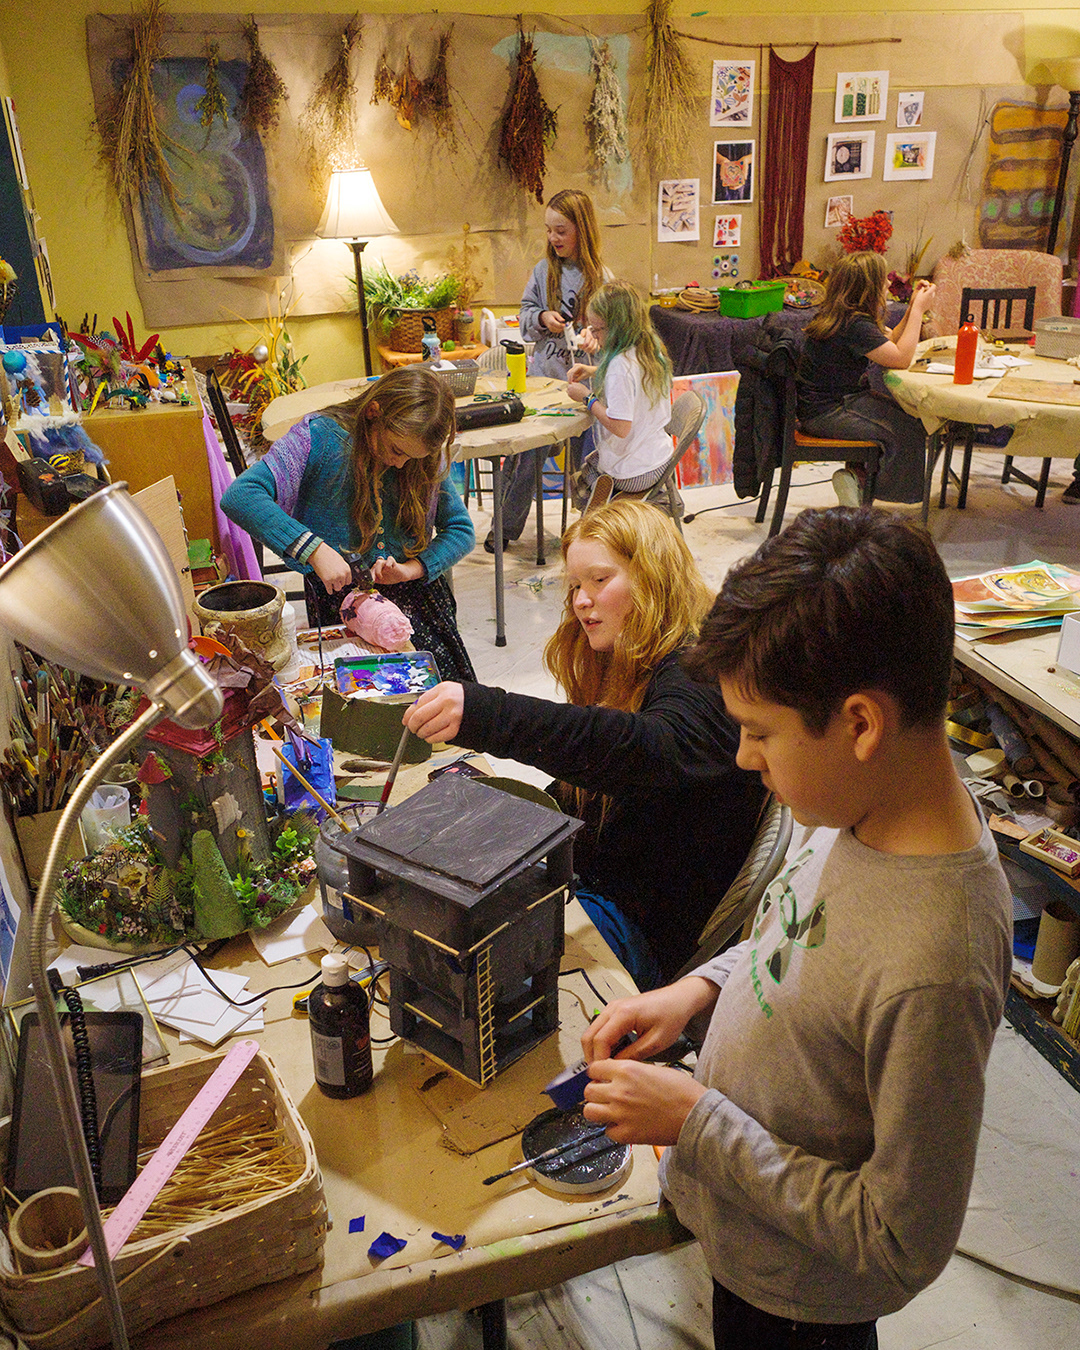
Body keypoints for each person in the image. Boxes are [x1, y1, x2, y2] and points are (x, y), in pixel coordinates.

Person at [579, 507, 1012, 1350]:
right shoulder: (864, 807)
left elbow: (899, 1239)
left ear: (860, 724)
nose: (744, 758)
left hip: (801, 1307)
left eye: (759, 733)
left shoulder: (939, 963)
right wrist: (698, 990)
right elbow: (797, 932)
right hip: (747, 1234)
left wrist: (697, 1121)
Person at [404, 498, 766, 990]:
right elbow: (589, 780)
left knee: (450, 964)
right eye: (575, 585)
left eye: (599, 580)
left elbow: (643, 750)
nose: (580, 600)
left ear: (654, 577)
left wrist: (490, 715)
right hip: (602, 885)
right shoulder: (636, 658)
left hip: (639, 930)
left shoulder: (699, 671)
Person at [220, 364, 477, 683]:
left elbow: (461, 530)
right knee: (363, 700)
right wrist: (313, 550)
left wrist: (410, 570)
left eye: (413, 458)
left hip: (418, 602)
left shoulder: (420, 454)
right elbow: (241, 496)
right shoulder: (319, 438)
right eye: (397, 450)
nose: (401, 464)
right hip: (341, 604)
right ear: (373, 413)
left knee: (441, 699)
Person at [489, 188, 608, 552]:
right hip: (544, 386)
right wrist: (541, 317)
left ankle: (590, 532)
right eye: (549, 230)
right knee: (526, 455)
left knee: (592, 462)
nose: (553, 237)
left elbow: (615, 335)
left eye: (561, 230)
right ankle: (504, 527)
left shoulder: (602, 277)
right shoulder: (543, 272)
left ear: (582, 230)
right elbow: (524, 317)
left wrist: (595, 338)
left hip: (585, 390)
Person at [797, 251, 936, 507]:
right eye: (883, 279)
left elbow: (889, 342)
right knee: (908, 430)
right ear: (869, 287)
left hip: (827, 404)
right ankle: (867, 488)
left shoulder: (842, 316)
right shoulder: (854, 325)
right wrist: (918, 310)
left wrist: (911, 307)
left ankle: (858, 479)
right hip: (828, 412)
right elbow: (901, 358)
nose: (888, 283)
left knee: (907, 415)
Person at [565, 280, 674, 503]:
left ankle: (604, 522)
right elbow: (635, 380)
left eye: (597, 329)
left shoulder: (620, 366)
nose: (594, 335)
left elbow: (620, 427)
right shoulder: (649, 347)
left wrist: (587, 398)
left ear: (616, 327)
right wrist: (593, 371)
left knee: (584, 478)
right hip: (659, 458)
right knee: (594, 461)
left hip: (635, 474)